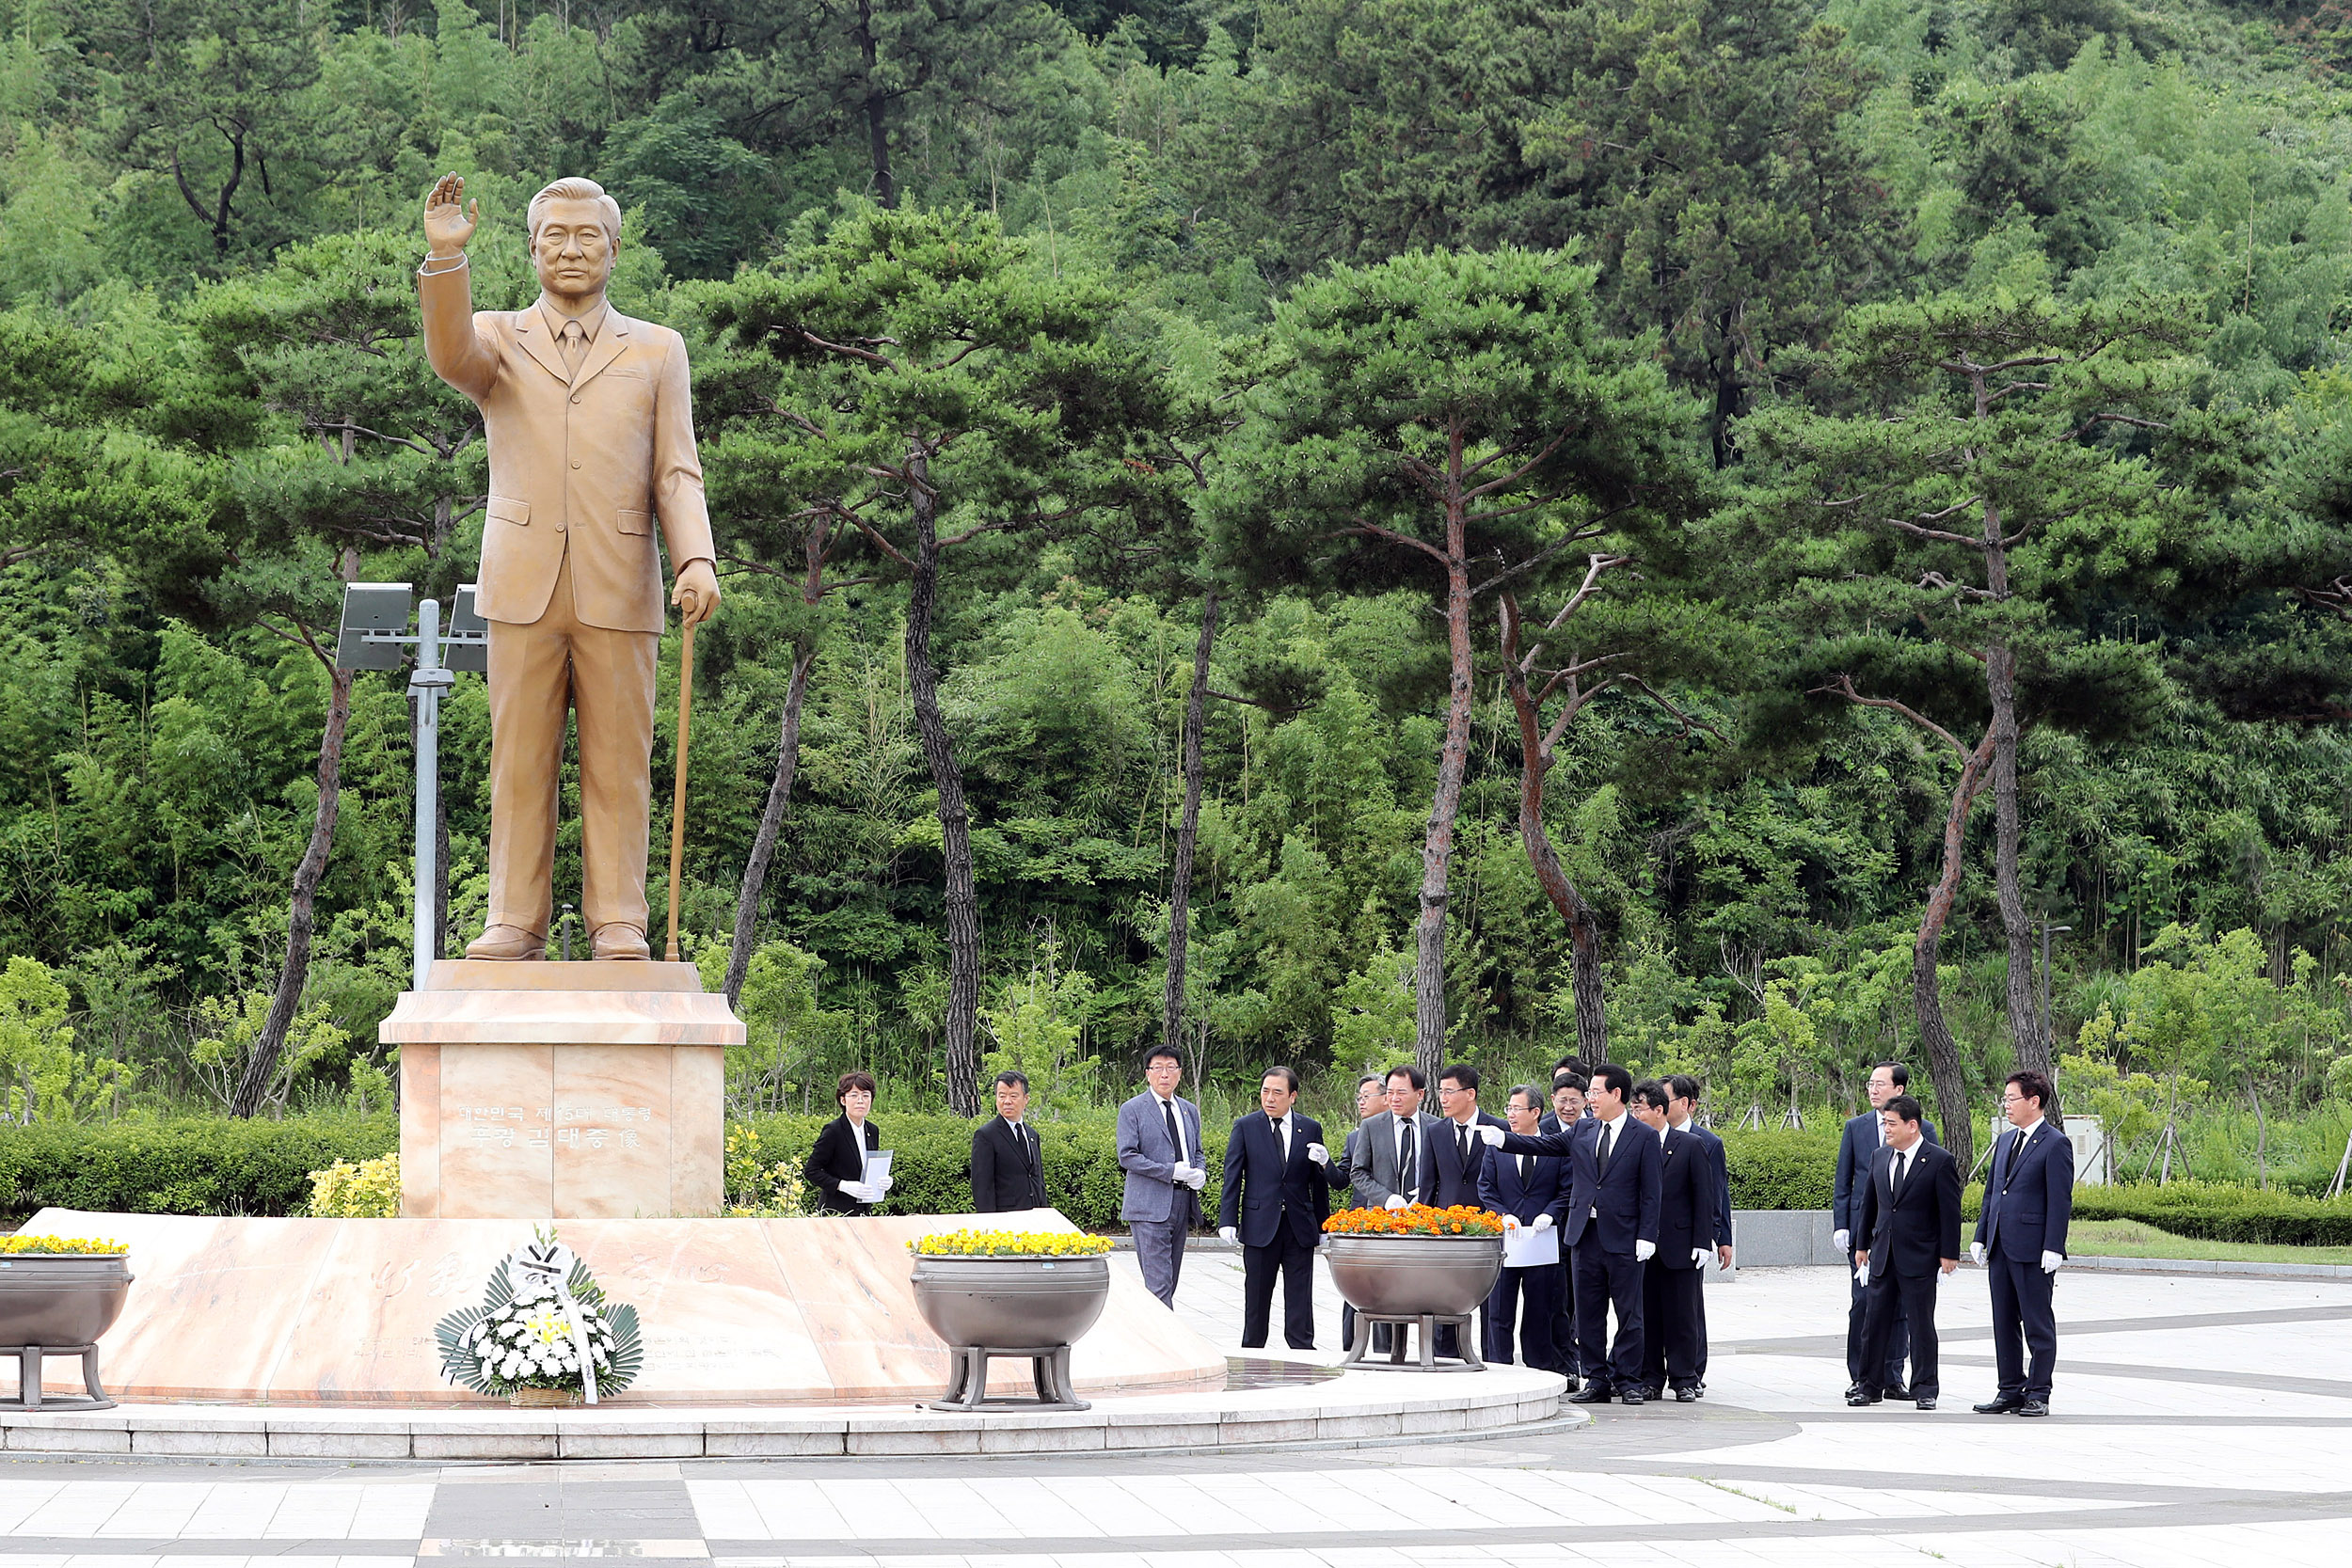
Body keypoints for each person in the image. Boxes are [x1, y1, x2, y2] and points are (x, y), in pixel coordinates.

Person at [417, 174, 720, 962]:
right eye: (556, 235)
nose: (572, 248)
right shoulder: (499, 339)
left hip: (621, 580)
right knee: (518, 762)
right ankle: (514, 919)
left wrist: (695, 556)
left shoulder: (658, 350)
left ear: (616, 250)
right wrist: (446, 261)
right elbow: (449, 354)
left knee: (621, 764)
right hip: (521, 581)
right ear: (532, 247)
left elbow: (677, 472)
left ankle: (619, 918)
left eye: (588, 235)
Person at [1487, 1062, 1661, 1403]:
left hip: (1625, 1236)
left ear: (1616, 1094)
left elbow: (1652, 1191)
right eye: (1590, 1093)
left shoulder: (1643, 1136)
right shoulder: (1583, 1131)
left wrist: (1647, 1235)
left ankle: (1626, 1379)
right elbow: (1546, 1145)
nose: (1590, 1099)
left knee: (1629, 1313)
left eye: (1595, 1093)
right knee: (1587, 1312)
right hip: (1585, 1234)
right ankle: (1596, 1379)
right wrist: (1505, 1140)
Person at [1849, 1094, 1963, 1410]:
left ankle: (1925, 1388)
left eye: (1892, 1123)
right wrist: (1862, 1245)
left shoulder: (1938, 1160)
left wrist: (1948, 1253)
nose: (1886, 1128)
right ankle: (1869, 1385)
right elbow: (1869, 1204)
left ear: (1912, 1126)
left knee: (1920, 1324)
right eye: (1885, 1122)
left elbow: (1949, 1210)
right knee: (1874, 1322)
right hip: (1883, 1254)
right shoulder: (1880, 1156)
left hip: (1920, 1256)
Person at [1972, 1069, 2074, 1418]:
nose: (2006, 1106)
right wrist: (1981, 1235)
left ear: (2034, 1101)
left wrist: (2054, 1246)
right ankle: (2009, 1389)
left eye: (2011, 1099)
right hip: (2001, 1245)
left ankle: (2039, 1392)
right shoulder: (2004, 1141)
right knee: (2003, 1322)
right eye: (2005, 1099)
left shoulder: (2055, 1143)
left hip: (2033, 1248)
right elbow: (1992, 1193)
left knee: (2036, 1322)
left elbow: (2060, 1200)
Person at [1836, 1060, 1939, 1400]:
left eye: (1880, 1084)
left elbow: (1937, 1190)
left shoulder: (1924, 1131)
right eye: (1870, 1083)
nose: (1873, 1089)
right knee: (1864, 1305)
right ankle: (1862, 1376)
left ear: (1899, 1089)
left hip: (1911, 1240)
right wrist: (1844, 1226)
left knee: (1902, 1313)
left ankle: (1893, 1376)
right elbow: (1846, 1181)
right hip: (1869, 1234)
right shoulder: (1857, 1127)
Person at [1218, 1067, 1333, 1350]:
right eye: (1265, 1091)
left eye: (1277, 1092)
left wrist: (1323, 1224)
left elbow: (1318, 1183)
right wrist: (1227, 1219)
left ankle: (1302, 1348)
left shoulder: (1310, 1127)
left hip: (1298, 1225)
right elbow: (1232, 1176)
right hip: (1260, 1224)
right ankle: (1252, 1348)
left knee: (1299, 1295)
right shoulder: (1246, 1126)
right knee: (1256, 1294)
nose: (1269, 1098)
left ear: (1292, 1096)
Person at [1630, 1079, 1715, 1402]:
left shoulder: (1690, 1144)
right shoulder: (1635, 1144)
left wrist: (1702, 1241)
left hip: (1680, 1244)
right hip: (1645, 1245)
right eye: (1633, 1108)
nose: (1636, 1114)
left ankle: (1685, 1378)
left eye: (1641, 1108)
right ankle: (1651, 1376)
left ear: (1660, 1111)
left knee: (1683, 1315)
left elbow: (1704, 1196)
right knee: (1648, 1314)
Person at [1479, 1085, 1569, 1371]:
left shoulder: (1555, 1146)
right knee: (1499, 1311)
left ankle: (1539, 1369)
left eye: (1517, 1109)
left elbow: (1566, 1190)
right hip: (1506, 1241)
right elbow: (1486, 1188)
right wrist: (1502, 1214)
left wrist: (1550, 1214)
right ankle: (1498, 1367)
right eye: (1508, 1108)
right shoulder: (1497, 1147)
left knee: (1540, 1311)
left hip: (1541, 1242)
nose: (1510, 1114)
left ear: (1535, 1112)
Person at [1117, 1047, 1206, 1307]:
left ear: (1179, 1073)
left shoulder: (1188, 1110)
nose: (1164, 1074)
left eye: (1171, 1068)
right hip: (1149, 1206)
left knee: (1170, 1281)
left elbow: (1197, 1151)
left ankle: (1156, 1335)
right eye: (1158, 1068)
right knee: (1159, 1285)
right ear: (1148, 1074)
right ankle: (1165, 1344)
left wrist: (1200, 1171)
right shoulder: (1132, 1109)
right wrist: (1169, 1171)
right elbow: (1127, 1155)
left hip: (1182, 1201)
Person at [1428, 1062, 1506, 1358]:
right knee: (1445, 1297)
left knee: (1491, 1300)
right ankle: (1444, 1357)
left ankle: (1492, 1358)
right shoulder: (1436, 1131)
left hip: (1486, 1227)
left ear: (1470, 1093)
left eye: (1449, 1092)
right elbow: (1428, 1184)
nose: (1443, 1098)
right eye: (1441, 1092)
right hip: (1446, 1229)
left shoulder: (1497, 1128)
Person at [1666, 1073, 1733, 1395]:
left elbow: (1718, 1194)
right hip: (1657, 1238)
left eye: (1664, 1100)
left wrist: (1722, 1238)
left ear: (1687, 1104)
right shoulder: (1651, 1136)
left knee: (1690, 1307)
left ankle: (1694, 1369)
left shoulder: (1708, 1142)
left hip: (1691, 1237)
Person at [1335, 1073, 1389, 1355]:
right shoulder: (1355, 1136)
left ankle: (1386, 1348)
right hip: (1363, 1219)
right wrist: (1324, 1166)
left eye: (1367, 1096)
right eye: (1359, 1098)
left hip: (1396, 1221)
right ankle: (1351, 1346)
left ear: (1386, 1097)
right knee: (1356, 1288)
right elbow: (1344, 1177)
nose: (1361, 1102)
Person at [1543, 1071, 1589, 1388]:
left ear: (1586, 1100)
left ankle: (1589, 1360)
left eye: (1575, 1100)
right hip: (1552, 1228)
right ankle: (1563, 1363)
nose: (1568, 1107)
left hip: (1591, 1228)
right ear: (1553, 1100)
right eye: (1563, 1100)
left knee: (1586, 1299)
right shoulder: (1541, 1129)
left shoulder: (1596, 1128)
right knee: (1556, 1302)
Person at [1351, 1065, 1441, 1212]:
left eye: (1401, 1093)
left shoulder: (1436, 1126)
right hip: (1382, 1216)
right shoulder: (1371, 1126)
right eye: (1390, 1092)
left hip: (1426, 1213)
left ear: (1420, 1095)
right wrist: (1386, 1198)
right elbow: (1358, 1172)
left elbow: (1445, 1173)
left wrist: (1427, 1193)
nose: (1394, 1099)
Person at [806, 1071, 889, 1214]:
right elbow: (811, 1170)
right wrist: (842, 1185)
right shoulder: (833, 1130)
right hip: (835, 1213)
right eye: (854, 1095)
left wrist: (883, 1181)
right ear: (843, 1100)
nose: (860, 1100)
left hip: (863, 1211)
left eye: (865, 1095)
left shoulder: (872, 1130)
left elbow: (866, 1168)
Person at [970, 1069, 1048, 1213]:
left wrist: (1043, 1212)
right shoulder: (986, 1135)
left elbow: (1038, 1179)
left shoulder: (1032, 1135)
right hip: (1004, 1219)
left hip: (1034, 1216)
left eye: (1013, 1096)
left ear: (1026, 1099)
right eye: (1002, 1096)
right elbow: (982, 1187)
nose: (1007, 1101)